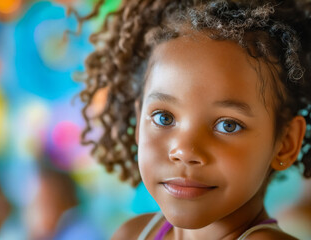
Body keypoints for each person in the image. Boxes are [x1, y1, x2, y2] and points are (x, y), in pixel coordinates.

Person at [79, 0, 311, 239]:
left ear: (286, 143)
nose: (184, 151)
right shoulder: (133, 233)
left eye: (227, 125)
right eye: (164, 117)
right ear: (139, 122)